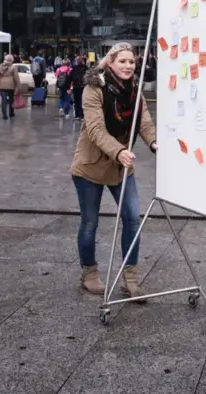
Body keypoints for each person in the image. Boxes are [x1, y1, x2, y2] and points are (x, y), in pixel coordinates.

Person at [71, 43, 156, 298]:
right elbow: (96, 130)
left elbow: (144, 121)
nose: (128, 66)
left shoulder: (135, 92)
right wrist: (118, 151)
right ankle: (89, 273)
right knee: (90, 222)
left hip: (121, 167)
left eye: (131, 62)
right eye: (123, 61)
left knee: (132, 219)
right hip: (91, 166)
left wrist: (153, 141)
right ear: (110, 62)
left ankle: (130, 278)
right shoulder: (93, 88)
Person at [0, 54, 19, 119]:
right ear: (11, 60)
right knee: (11, 100)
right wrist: (18, 86)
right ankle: (11, 113)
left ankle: (4, 115)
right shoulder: (13, 67)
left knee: (3, 100)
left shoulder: (0, 66)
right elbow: (16, 78)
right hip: (11, 86)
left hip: (2, 85)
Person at [69, 56, 87, 121]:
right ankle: (82, 115)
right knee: (82, 101)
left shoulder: (74, 68)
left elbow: (70, 77)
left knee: (76, 101)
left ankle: (77, 115)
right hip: (83, 87)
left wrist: (68, 87)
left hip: (75, 86)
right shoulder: (85, 68)